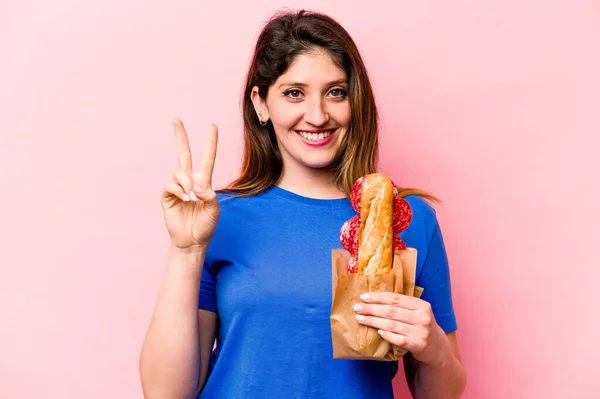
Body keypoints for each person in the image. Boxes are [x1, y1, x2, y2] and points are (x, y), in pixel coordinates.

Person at [139, 9, 466, 399]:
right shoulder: (217, 219)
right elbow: (165, 393)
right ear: (261, 104)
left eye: (336, 92)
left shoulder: (408, 221)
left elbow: (440, 394)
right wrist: (185, 250)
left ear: (354, 102)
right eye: (295, 92)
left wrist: (434, 350)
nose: (317, 115)